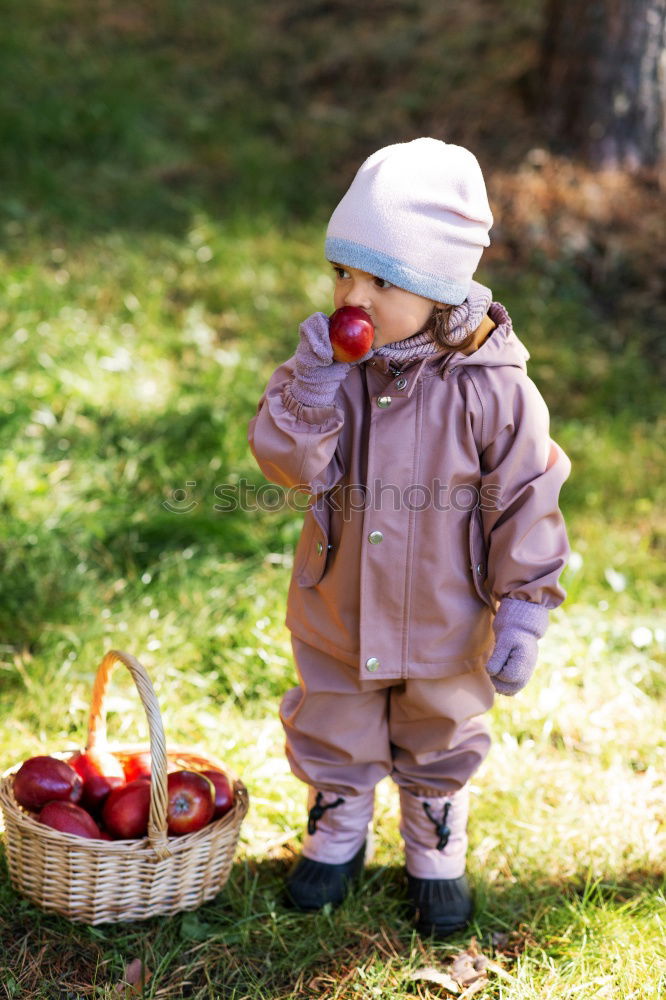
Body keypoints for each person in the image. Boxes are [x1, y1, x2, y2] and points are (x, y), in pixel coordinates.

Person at [247, 137, 570, 937]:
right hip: (339, 596)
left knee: (442, 723)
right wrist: (311, 390)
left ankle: (435, 840)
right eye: (342, 273)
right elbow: (286, 465)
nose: (351, 294)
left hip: (447, 612)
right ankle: (340, 822)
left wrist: (525, 607)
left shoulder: (494, 388)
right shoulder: (329, 367)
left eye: (376, 280)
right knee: (336, 712)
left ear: (433, 287)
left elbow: (526, 499)